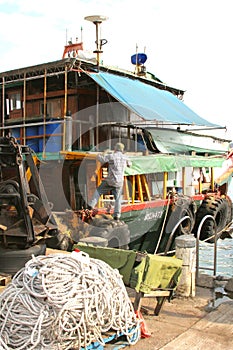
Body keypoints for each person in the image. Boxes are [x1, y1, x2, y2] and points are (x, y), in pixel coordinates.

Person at [89, 142, 132, 221]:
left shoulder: (112, 156)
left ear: (115, 149)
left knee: (99, 191)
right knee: (118, 198)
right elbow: (130, 164)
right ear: (122, 150)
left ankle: (91, 205)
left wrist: (102, 153)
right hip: (119, 182)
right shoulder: (125, 157)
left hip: (110, 180)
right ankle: (117, 216)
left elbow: (101, 159)